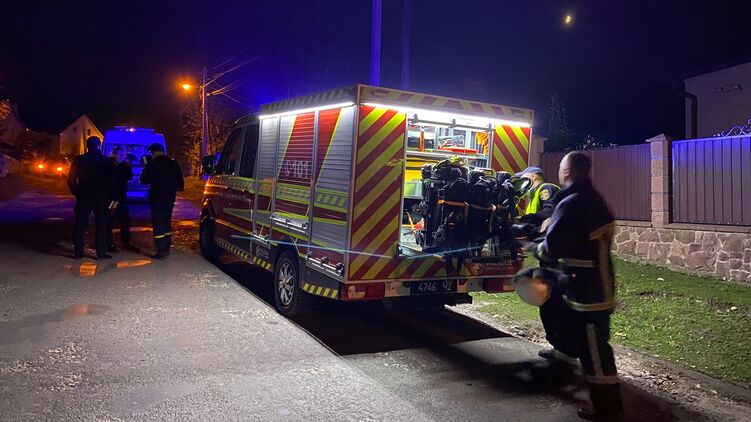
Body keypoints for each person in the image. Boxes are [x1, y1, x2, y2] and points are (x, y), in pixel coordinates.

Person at [533, 151, 623, 420]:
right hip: (587, 286)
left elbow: (554, 246)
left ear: (567, 172)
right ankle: (558, 373)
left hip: (589, 292)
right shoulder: (589, 198)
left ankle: (608, 409)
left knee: (595, 352)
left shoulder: (573, 202)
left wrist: (536, 247)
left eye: (561, 169)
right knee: (573, 336)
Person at [67, 136, 113, 260]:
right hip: (101, 198)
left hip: (84, 196)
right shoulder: (105, 161)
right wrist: (108, 196)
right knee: (101, 225)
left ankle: (78, 253)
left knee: (80, 225)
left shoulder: (79, 160)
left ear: (87, 146)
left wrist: (77, 192)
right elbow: (110, 181)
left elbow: (71, 179)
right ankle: (101, 253)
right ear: (99, 145)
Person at [139, 143, 183, 259]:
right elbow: (180, 183)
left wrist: (146, 166)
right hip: (169, 198)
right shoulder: (173, 164)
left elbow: (143, 179)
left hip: (157, 198)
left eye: (151, 153)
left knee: (158, 224)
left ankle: (160, 251)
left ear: (154, 152)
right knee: (166, 222)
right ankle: (166, 247)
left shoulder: (153, 165)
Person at [108, 146, 133, 252]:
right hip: (112, 199)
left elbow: (129, 176)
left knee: (125, 221)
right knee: (110, 220)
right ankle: (109, 244)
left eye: (123, 155)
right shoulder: (109, 165)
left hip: (121, 198)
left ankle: (126, 243)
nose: (121, 157)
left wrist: (127, 167)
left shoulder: (124, 166)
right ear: (114, 155)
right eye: (119, 155)